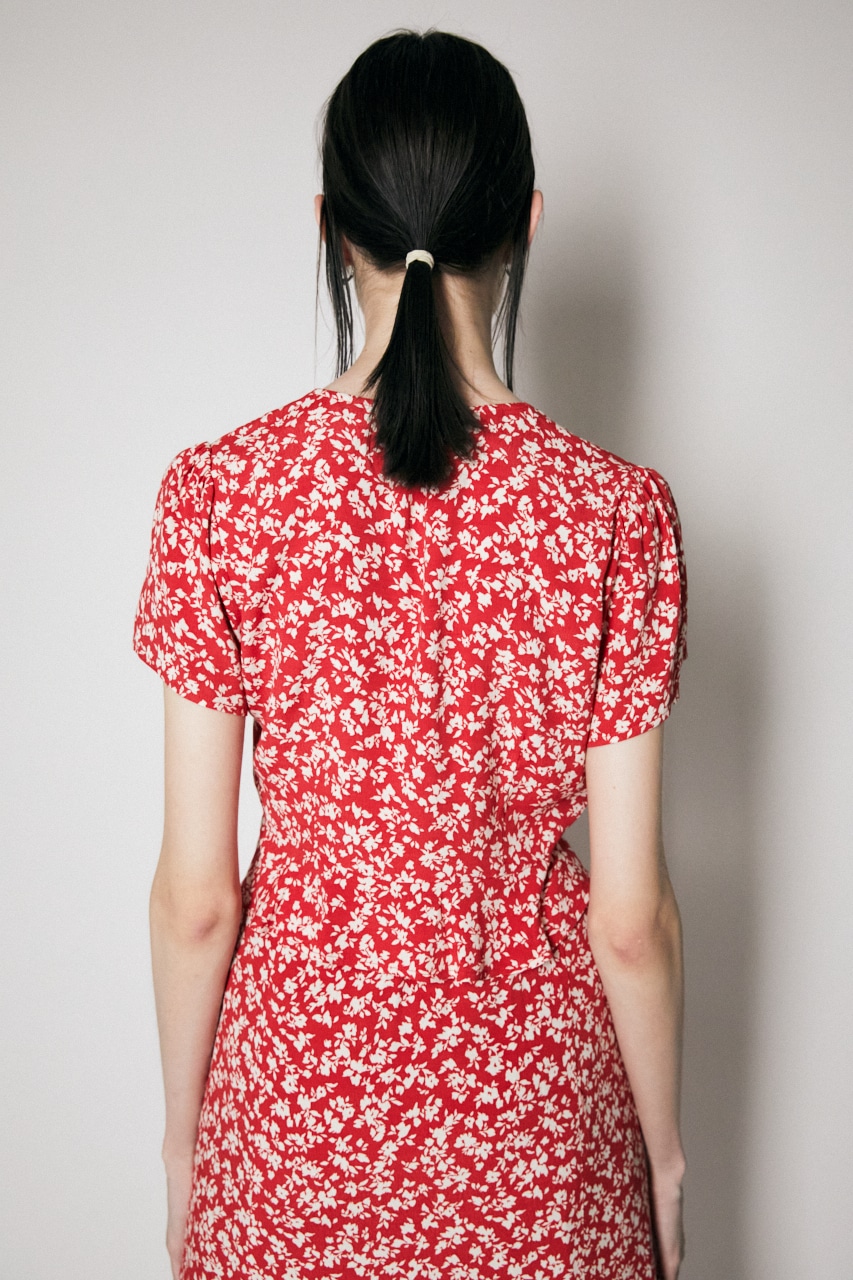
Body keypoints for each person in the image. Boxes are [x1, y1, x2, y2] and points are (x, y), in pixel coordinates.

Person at [134, 29, 688, 1280]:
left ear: (333, 226)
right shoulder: (614, 513)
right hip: (541, 1143)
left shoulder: (221, 495)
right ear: (525, 223)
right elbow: (631, 920)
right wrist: (661, 1161)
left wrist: (184, 1144)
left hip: (292, 1133)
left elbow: (195, 897)